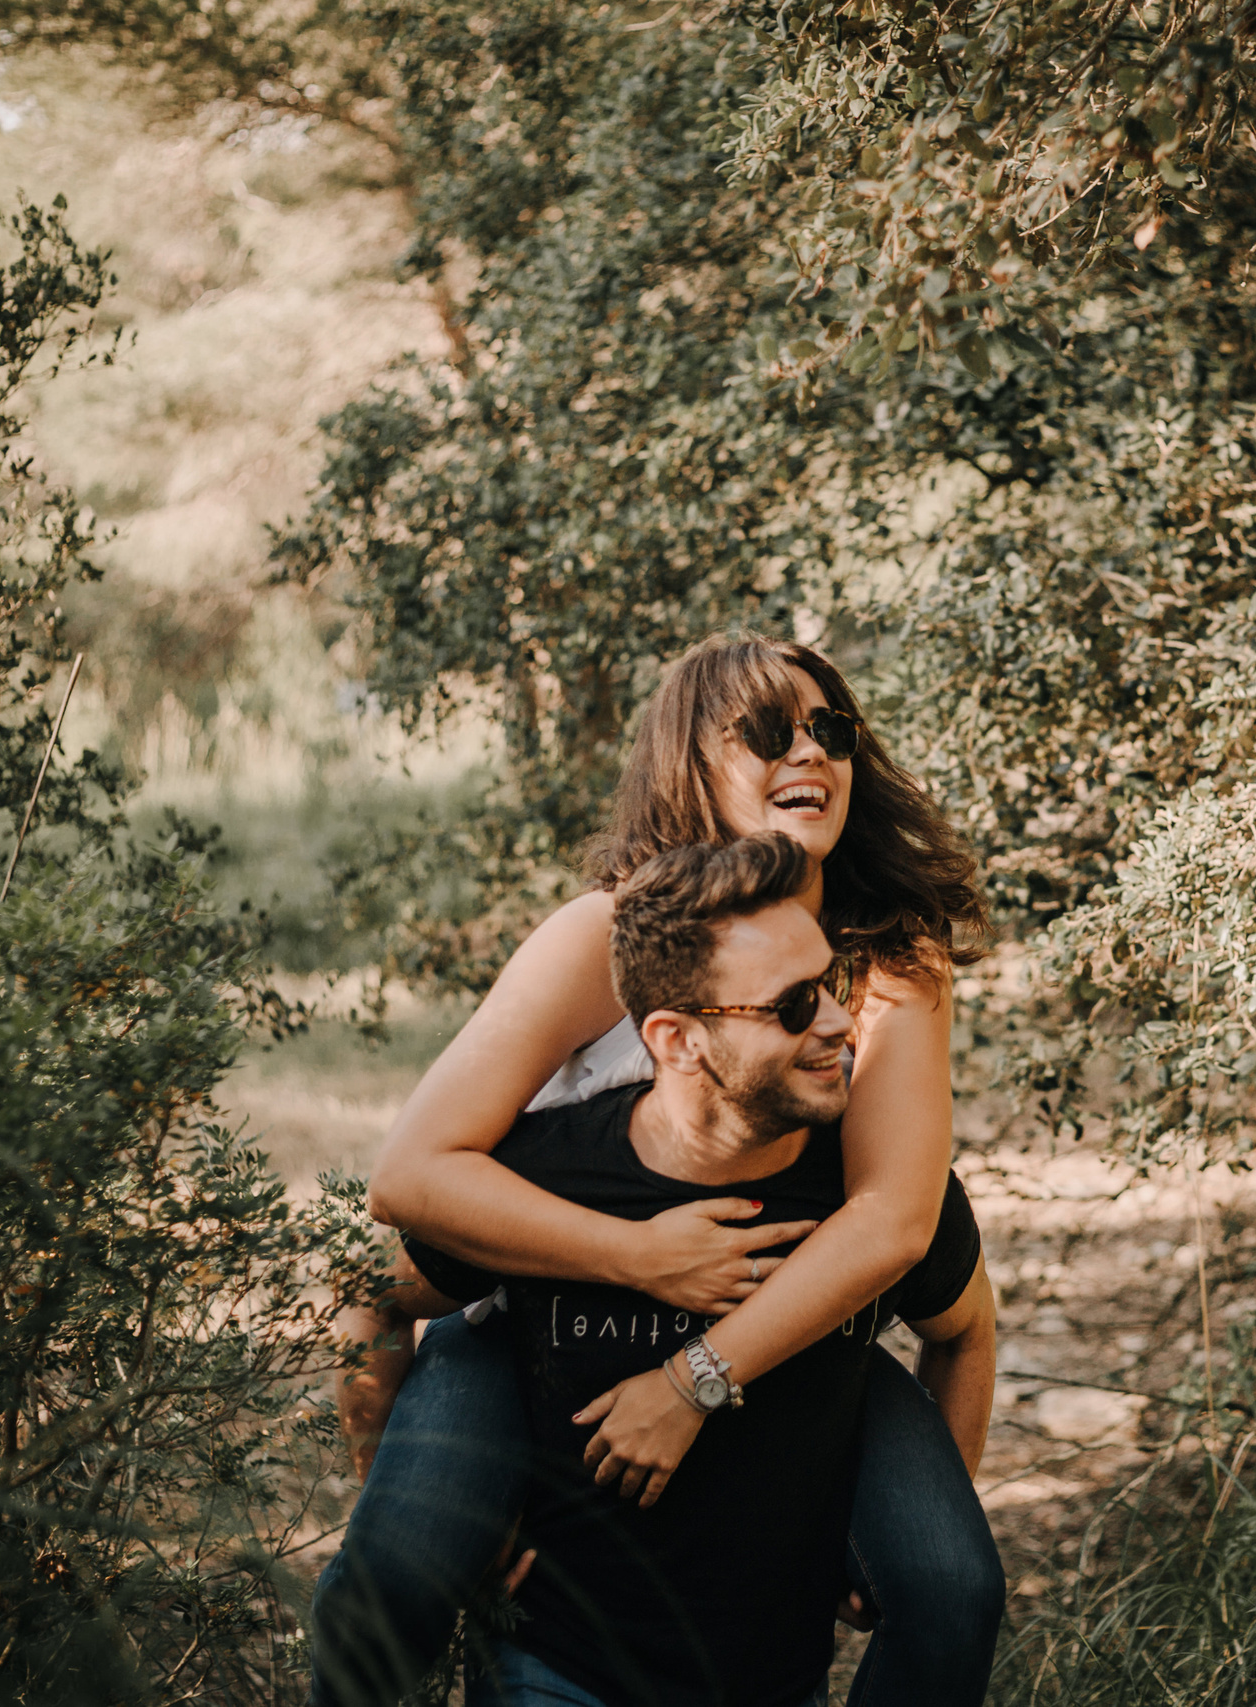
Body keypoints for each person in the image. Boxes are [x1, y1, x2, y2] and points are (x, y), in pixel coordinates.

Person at [309, 635, 1002, 1706]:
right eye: (767, 731)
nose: (809, 751)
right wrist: (637, 1256)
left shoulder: (890, 958)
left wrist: (696, 1378)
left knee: (951, 1588)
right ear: (691, 762)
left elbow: (893, 1221)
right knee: (397, 1573)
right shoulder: (608, 934)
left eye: (831, 729)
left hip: (794, 1317)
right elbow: (411, 1176)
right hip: (543, 1300)